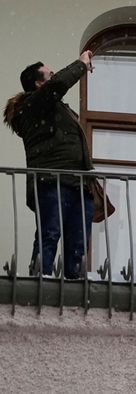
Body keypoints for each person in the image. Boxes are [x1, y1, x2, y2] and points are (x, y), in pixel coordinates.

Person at [4, 51, 96, 278]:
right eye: (49, 74)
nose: (54, 76)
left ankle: (73, 285)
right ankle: (40, 280)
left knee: (78, 241)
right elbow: (58, 85)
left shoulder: (55, 108)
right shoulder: (33, 105)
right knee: (50, 234)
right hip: (51, 181)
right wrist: (81, 65)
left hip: (77, 182)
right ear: (38, 83)